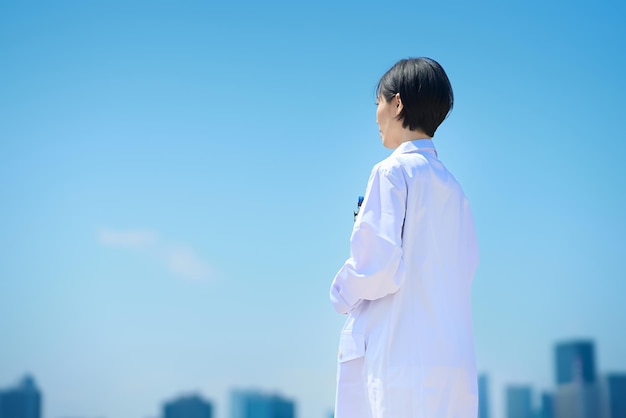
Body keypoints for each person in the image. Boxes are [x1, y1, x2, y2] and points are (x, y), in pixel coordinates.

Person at [330, 57, 479, 418]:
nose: (376, 116)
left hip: (400, 361)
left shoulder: (392, 171)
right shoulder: (454, 190)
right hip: (452, 365)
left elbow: (377, 267)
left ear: (397, 103)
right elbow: (465, 269)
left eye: (378, 103)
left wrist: (340, 293)